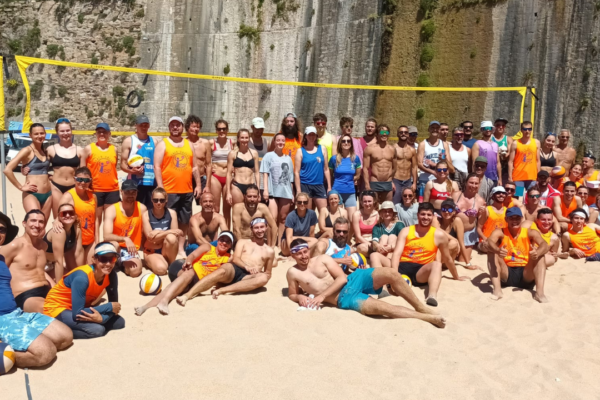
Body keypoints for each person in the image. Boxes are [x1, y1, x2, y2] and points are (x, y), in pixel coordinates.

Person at [286, 239, 446, 327]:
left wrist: (321, 297)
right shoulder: (293, 273)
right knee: (384, 309)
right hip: (344, 299)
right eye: (298, 254)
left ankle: (420, 306)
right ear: (293, 256)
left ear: (308, 250)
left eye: (305, 251)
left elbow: (342, 278)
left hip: (354, 279)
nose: (303, 256)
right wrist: (299, 298)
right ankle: (425, 317)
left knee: (391, 273)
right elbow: (293, 293)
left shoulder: (322, 259)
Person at [0, 210, 73, 368]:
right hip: (3, 318)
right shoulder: (11, 249)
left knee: (65, 337)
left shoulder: (1, 257)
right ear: (24, 224)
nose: (0, 233)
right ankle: (4, 353)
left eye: (2, 229)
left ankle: (20, 341)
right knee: (45, 353)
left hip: (16, 314)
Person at [383, 202, 468, 307]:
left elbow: (447, 258)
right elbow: (396, 254)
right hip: (402, 266)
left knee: (437, 264)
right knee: (375, 256)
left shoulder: (439, 235)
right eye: (423, 214)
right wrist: (395, 277)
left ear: (433, 216)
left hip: (421, 271)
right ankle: (383, 289)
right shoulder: (406, 231)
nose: (425, 217)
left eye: (429, 215)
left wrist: (456, 276)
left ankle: (432, 296)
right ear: (418, 215)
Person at [176, 218, 275, 304]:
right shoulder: (243, 242)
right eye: (256, 227)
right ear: (251, 229)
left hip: (248, 277)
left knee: (263, 278)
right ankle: (188, 295)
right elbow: (236, 259)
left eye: (262, 227)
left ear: (266, 227)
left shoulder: (270, 251)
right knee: (224, 269)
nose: (259, 230)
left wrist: (258, 272)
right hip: (236, 269)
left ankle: (223, 290)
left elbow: (268, 273)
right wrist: (247, 267)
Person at [134, 232, 233, 316]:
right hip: (182, 267)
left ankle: (146, 306)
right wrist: (188, 261)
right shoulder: (208, 247)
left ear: (231, 246)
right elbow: (193, 255)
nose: (224, 243)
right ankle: (165, 301)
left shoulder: (228, 258)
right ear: (218, 240)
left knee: (178, 287)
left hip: (197, 281)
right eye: (222, 239)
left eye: (227, 242)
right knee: (189, 273)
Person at [43, 242, 124, 339]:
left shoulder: (111, 275)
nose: (108, 264)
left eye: (112, 259)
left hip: (78, 308)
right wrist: (107, 308)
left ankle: (74, 326)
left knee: (119, 322)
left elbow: (115, 308)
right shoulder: (82, 277)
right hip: (57, 309)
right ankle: (57, 331)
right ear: (94, 259)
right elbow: (78, 313)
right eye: (103, 259)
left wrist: (102, 318)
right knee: (98, 330)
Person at [485, 207, 549, 302]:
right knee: (491, 251)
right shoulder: (501, 232)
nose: (515, 221)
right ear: (506, 219)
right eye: (511, 218)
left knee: (541, 255)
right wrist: (497, 250)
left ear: (522, 219)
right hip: (506, 272)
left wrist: (537, 252)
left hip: (526, 273)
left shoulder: (529, 232)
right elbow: (489, 241)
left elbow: (544, 244)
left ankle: (539, 293)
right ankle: (497, 290)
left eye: (517, 218)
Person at [154, 116, 197, 250]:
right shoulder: (163, 144)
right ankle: (168, 247)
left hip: (187, 189)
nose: (175, 127)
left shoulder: (189, 144)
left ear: (182, 127)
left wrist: (199, 185)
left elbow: (194, 166)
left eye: (177, 125)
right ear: (169, 127)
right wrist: (161, 187)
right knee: (169, 220)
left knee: (184, 221)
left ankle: (180, 248)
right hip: (169, 190)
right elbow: (157, 166)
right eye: (172, 125)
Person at [0, 210, 51, 313]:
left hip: (44, 291)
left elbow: (40, 270)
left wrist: (56, 289)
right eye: (33, 220)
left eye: (41, 222)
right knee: (47, 309)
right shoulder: (14, 246)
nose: (37, 225)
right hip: (26, 295)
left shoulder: (43, 246)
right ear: (24, 224)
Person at [4, 123, 53, 224]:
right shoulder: (26, 151)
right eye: (36, 134)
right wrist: (21, 187)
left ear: (45, 134)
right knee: (34, 225)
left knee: (42, 227)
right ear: (30, 135)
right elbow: (7, 170)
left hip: (48, 194)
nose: (39, 136)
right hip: (32, 194)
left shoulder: (45, 151)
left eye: (42, 133)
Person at [103, 180, 147, 278]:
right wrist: (125, 239)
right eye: (127, 192)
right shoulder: (112, 209)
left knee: (135, 272)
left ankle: (121, 264)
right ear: (121, 192)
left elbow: (146, 231)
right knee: (114, 245)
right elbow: (106, 236)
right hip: (116, 246)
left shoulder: (142, 208)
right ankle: (116, 261)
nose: (130, 195)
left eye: (133, 192)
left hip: (131, 249)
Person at [81, 123, 120, 232]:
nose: (102, 134)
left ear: (109, 134)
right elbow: (82, 171)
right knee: (95, 220)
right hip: (95, 189)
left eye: (104, 132)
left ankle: (108, 245)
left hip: (112, 189)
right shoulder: (89, 148)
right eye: (99, 132)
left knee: (110, 220)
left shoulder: (114, 149)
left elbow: (114, 167)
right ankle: (94, 244)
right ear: (96, 134)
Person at [57, 167, 97, 264]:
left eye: (86, 180)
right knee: (76, 271)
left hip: (90, 240)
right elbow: (59, 215)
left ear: (90, 181)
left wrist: (97, 240)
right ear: (74, 179)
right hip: (75, 241)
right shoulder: (68, 196)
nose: (83, 183)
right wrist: (56, 221)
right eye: (79, 179)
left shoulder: (93, 196)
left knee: (91, 269)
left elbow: (96, 219)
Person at [261, 132, 294, 246]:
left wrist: (293, 193)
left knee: (283, 218)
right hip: (272, 191)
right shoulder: (268, 156)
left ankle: (279, 243)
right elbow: (265, 174)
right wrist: (265, 190)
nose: (280, 142)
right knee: (272, 218)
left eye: (282, 140)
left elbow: (291, 178)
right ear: (274, 142)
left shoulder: (288, 159)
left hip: (285, 192)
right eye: (278, 140)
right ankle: (271, 243)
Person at [142, 188, 184, 276]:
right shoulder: (146, 214)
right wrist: (166, 232)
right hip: (151, 250)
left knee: (171, 238)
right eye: (155, 200)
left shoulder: (172, 213)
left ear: (166, 200)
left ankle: (171, 265)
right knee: (161, 270)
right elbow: (150, 238)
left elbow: (175, 235)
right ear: (151, 200)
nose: (158, 203)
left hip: (166, 249)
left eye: (162, 200)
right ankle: (153, 262)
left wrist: (157, 232)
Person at [46, 118, 83, 217]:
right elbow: (40, 167)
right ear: (57, 132)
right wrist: (25, 169)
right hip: (56, 187)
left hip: (73, 187)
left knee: (74, 218)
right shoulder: (50, 149)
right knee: (59, 218)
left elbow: (83, 172)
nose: (65, 133)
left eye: (67, 130)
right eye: (62, 131)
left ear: (71, 131)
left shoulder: (79, 150)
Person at [120, 115, 158, 209]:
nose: (143, 127)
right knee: (135, 210)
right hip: (135, 183)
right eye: (141, 125)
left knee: (150, 211)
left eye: (146, 125)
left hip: (151, 182)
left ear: (149, 126)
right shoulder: (129, 141)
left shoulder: (155, 141)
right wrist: (132, 171)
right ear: (136, 126)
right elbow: (122, 164)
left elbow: (159, 164)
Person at [294, 126, 331, 212]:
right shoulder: (300, 151)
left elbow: (326, 169)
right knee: (308, 214)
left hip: (319, 184)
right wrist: (298, 190)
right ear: (306, 136)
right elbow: (296, 172)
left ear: (316, 136)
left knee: (325, 212)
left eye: (313, 135)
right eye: (309, 135)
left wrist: (329, 186)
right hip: (305, 185)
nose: (311, 137)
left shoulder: (322, 149)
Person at [44, 203, 83, 282]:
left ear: (75, 215)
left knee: (76, 280)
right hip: (42, 266)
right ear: (58, 217)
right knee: (60, 286)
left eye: (71, 213)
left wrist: (82, 273)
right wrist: (59, 286)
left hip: (53, 265)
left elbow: (79, 252)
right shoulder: (59, 232)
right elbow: (59, 261)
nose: (68, 215)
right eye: (63, 213)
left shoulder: (76, 229)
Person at [453, 174, 486, 266]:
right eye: (471, 182)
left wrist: (483, 213)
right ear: (466, 183)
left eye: (476, 183)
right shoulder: (455, 195)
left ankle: (466, 252)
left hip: (468, 233)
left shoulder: (480, 201)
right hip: (453, 232)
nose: (473, 185)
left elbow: (481, 223)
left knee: (461, 261)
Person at [417, 121, 455, 195]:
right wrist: (433, 172)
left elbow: (450, 166)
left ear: (439, 130)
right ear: (429, 129)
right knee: (424, 204)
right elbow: (419, 164)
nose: (434, 130)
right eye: (432, 128)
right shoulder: (423, 144)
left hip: (441, 180)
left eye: (437, 128)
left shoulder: (444, 145)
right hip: (425, 179)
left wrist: (444, 160)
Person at [329, 133, 362, 217]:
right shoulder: (334, 159)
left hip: (350, 192)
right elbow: (330, 175)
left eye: (348, 141)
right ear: (340, 143)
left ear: (351, 144)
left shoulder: (355, 158)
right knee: (338, 219)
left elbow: (358, 175)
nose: (346, 143)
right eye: (343, 141)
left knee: (352, 219)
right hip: (337, 192)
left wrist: (350, 180)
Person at [226, 129, 260, 208]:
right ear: (238, 139)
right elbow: (228, 174)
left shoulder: (254, 153)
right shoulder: (233, 153)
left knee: (250, 212)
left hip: (251, 185)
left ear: (249, 138)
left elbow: (257, 172)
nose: (244, 140)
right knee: (237, 211)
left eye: (246, 137)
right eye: (242, 137)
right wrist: (228, 192)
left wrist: (257, 189)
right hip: (237, 186)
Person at [363, 124, 397, 203]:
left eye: (386, 132)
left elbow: (395, 168)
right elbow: (365, 168)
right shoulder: (369, 149)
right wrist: (367, 185)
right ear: (377, 134)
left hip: (388, 182)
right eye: (382, 131)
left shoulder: (392, 149)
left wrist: (390, 177)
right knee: (374, 207)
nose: (384, 134)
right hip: (375, 182)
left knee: (388, 207)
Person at [209, 119, 234, 224]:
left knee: (227, 208)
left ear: (227, 130)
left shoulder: (232, 143)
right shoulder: (212, 143)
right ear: (216, 130)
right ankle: (215, 235)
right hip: (216, 176)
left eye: (224, 129)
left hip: (228, 176)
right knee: (216, 208)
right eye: (219, 129)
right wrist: (210, 168)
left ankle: (227, 234)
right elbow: (206, 159)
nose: (222, 131)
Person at [184, 115, 212, 206]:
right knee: (186, 207)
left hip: (201, 177)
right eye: (193, 126)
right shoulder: (183, 143)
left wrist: (207, 185)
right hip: (187, 179)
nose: (196, 129)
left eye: (198, 127)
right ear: (188, 127)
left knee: (205, 205)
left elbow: (208, 165)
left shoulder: (205, 143)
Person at [508, 121, 540, 198]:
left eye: (529, 129)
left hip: (532, 177)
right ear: (521, 130)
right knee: (519, 198)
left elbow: (538, 160)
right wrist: (510, 177)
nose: (527, 131)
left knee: (532, 198)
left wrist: (538, 176)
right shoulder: (515, 143)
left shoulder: (536, 142)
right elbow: (510, 161)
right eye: (525, 129)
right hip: (518, 177)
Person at [432, 199, 468, 265]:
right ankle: (437, 266)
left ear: (454, 211)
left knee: (453, 243)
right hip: (436, 257)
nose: (447, 212)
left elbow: (462, 243)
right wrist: (454, 239)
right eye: (444, 209)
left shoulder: (457, 221)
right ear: (440, 211)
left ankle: (438, 265)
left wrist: (468, 263)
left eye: (450, 210)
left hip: (448, 261)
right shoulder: (436, 219)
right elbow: (436, 229)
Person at [392, 125, 418, 204]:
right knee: (395, 203)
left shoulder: (412, 150)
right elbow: (389, 166)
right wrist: (391, 182)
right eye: (401, 132)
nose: (403, 134)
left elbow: (414, 167)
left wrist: (414, 183)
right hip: (396, 180)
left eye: (405, 132)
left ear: (408, 135)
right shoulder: (393, 148)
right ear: (397, 134)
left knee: (408, 203)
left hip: (407, 181)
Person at [471, 121, 501, 186]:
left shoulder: (496, 144)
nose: (487, 130)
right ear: (482, 130)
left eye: (489, 128)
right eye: (485, 128)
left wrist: (500, 179)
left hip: (494, 178)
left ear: (492, 130)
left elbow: (498, 163)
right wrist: (475, 178)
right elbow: (474, 163)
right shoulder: (477, 144)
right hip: (482, 178)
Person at [351, 191, 379, 256]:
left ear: (374, 201)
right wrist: (369, 244)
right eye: (365, 201)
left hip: (375, 240)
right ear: (361, 202)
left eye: (369, 201)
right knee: (363, 248)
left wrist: (374, 244)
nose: (367, 204)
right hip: (362, 242)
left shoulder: (378, 215)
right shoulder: (356, 215)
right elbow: (358, 236)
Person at [249, 117, 270, 200]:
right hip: (250, 175)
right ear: (252, 127)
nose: (259, 131)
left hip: (262, 176)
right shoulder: (246, 142)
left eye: (261, 128)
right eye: (257, 128)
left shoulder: (266, 142)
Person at [492, 117, 513, 184]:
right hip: (492, 167)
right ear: (494, 126)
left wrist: (505, 154)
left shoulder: (508, 139)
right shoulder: (490, 138)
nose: (500, 127)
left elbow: (509, 153)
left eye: (503, 126)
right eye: (498, 125)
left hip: (504, 168)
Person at [448, 127, 470, 191]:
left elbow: (469, 166)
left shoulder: (467, 150)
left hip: (464, 179)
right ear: (452, 136)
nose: (459, 136)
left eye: (461, 134)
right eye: (456, 135)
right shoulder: (448, 149)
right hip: (451, 178)